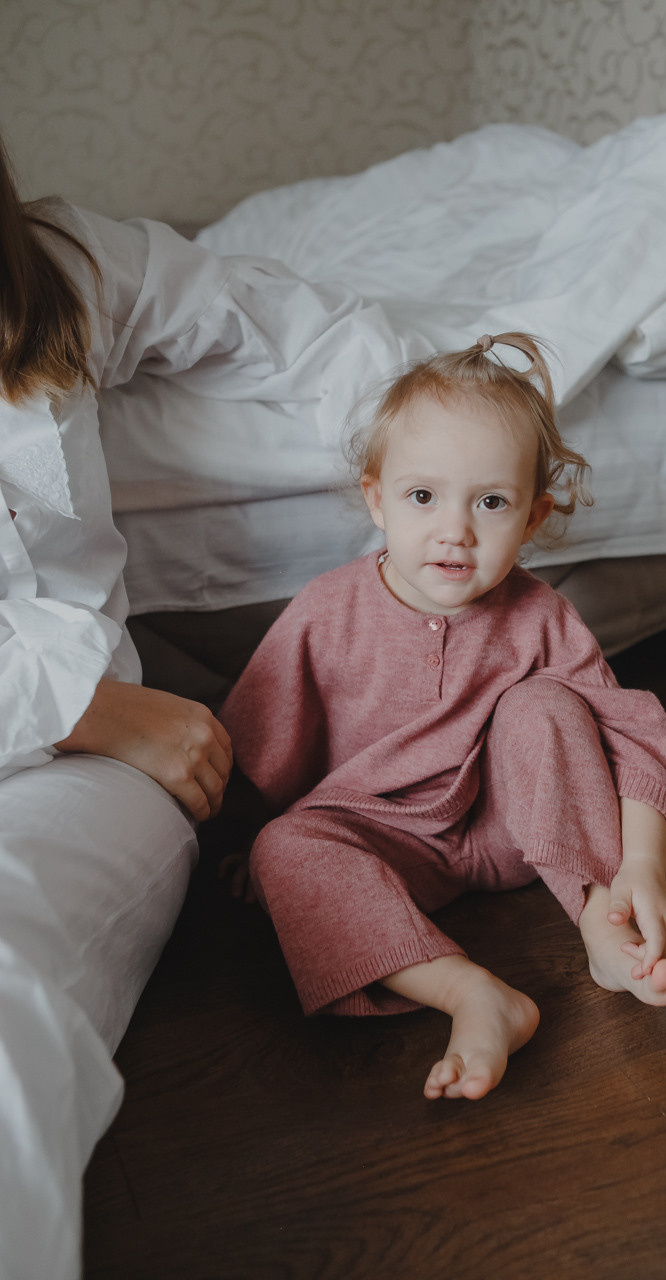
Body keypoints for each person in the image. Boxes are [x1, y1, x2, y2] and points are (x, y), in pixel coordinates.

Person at [0, 132, 364, 1280]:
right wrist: (89, 708)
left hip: (82, 782)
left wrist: (412, 466)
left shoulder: (57, 263)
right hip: (102, 728)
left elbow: (271, 312)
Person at [221, 333, 666, 1103]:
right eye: (423, 497)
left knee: (544, 703)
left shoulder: (538, 615)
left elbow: (630, 733)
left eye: (490, 502)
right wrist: (241, 845)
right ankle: (469, 994)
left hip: (516, 833)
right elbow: (258, 739)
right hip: (385, 842)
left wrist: (640, 867)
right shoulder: (326, 611)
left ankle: (601, 925)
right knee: (283, 846)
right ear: (376, 498)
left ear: (533, 516)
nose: (455, 529)